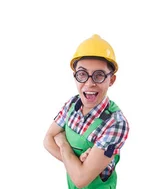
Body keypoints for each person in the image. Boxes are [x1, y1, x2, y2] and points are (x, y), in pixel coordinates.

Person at [43, 34, 130, 189]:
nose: (89, 83)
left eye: (99, 75)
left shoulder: (116, 123)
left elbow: (81, 180)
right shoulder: (71, 105)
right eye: (82, 74)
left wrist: (63, 143)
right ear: (75, 76)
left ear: (111, 80)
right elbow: (47, 140)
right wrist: (76, 164)